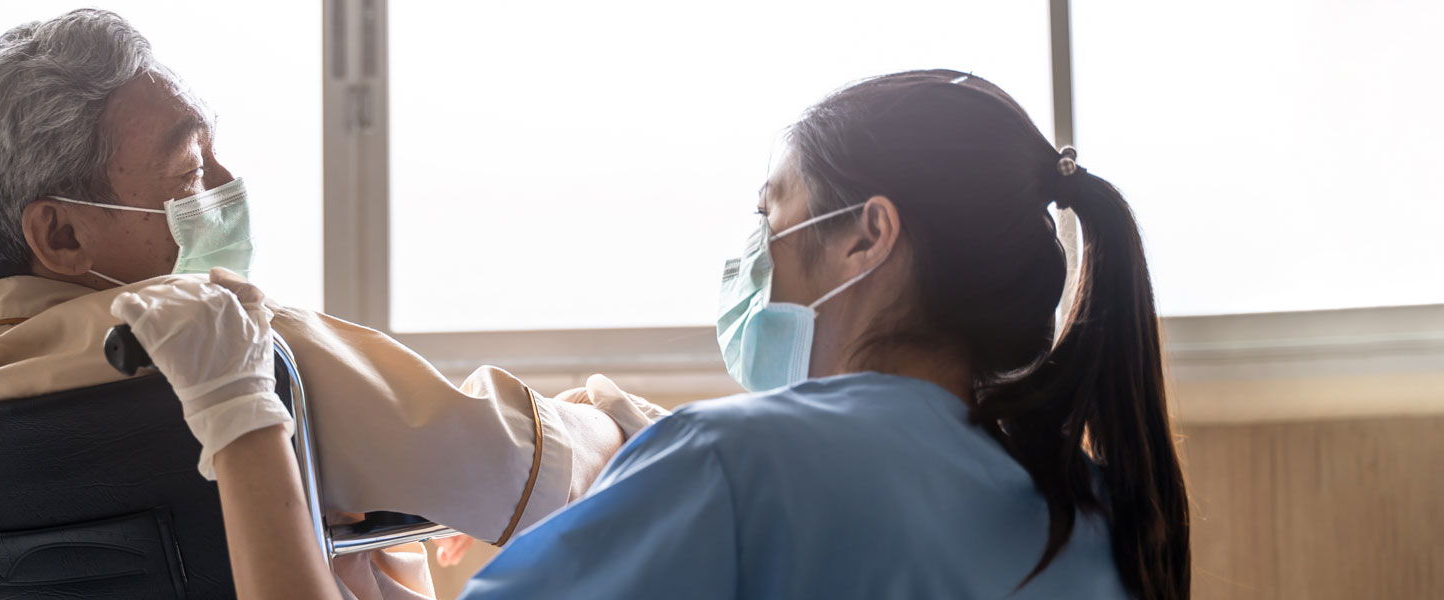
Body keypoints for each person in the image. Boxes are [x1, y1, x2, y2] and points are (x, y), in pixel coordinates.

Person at [0, 9, 662, 599]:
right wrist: (606, 412)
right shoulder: (227, 346)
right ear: (61, 233)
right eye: (189, 169)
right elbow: (525, 473)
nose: (227, 183)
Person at [455, 70, 1191, 598]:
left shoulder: (729, 464)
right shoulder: (1102, 515)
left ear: (868, 235)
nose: (755, 254)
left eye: (770, 215)